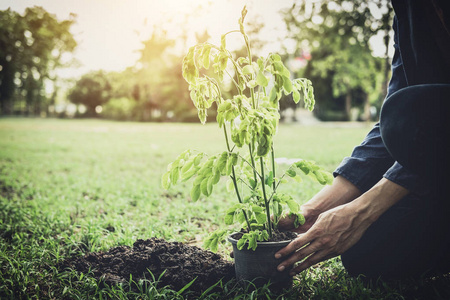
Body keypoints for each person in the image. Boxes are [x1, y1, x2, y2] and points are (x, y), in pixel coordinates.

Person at [275, 0, 450, 280]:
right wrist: (315, 209)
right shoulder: (409, 11)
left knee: (407, 111)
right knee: (371, 254)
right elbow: (401, 121)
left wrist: (363, 210)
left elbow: (416, 118)